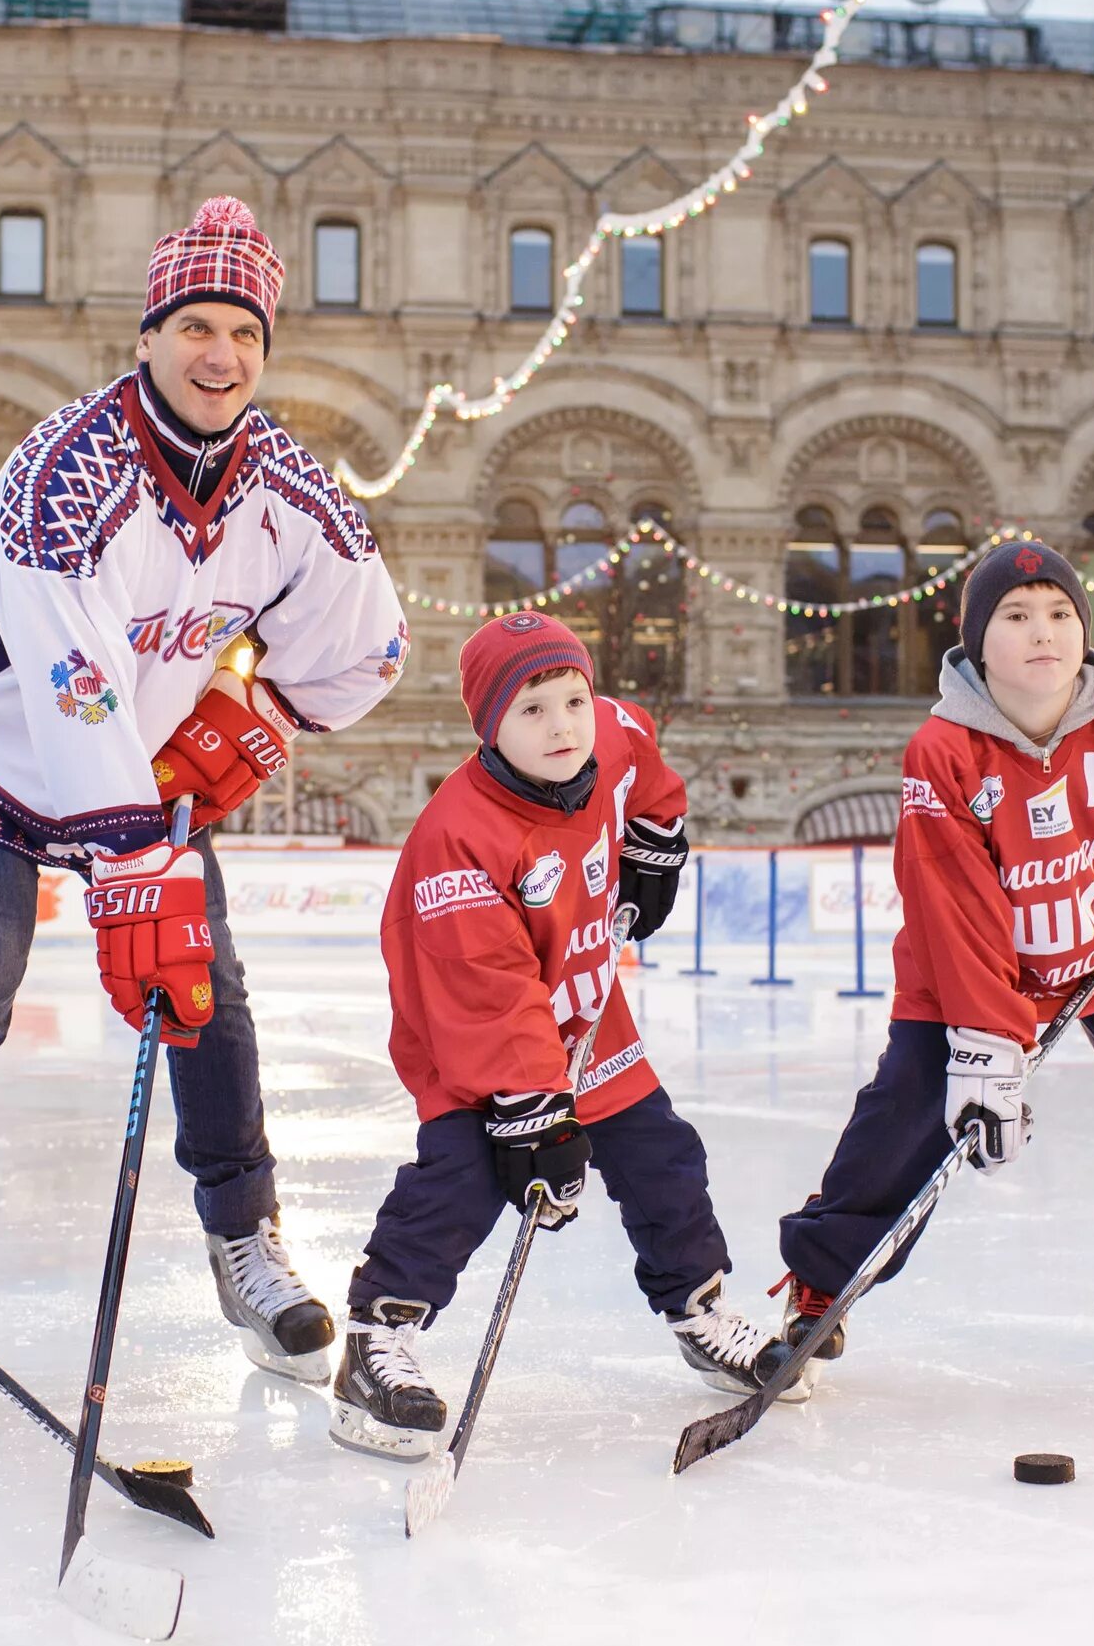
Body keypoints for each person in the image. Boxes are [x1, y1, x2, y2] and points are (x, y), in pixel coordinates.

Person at [0, 197, 410, 1388]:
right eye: (198, 326)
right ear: (150, 335)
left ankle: (244, 1235)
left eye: (246, 335)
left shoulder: (288, 488)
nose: (222, 355)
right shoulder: (66, 469)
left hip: (141, 759)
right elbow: (69, 678)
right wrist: (133, 865)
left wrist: (255, 714)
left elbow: (373, 644)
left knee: (208, 985)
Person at [771, 542, 1094, 1383]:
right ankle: (821, 1281)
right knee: (903, 1113)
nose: (1041, 633)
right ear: (977, 644)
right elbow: (956, 910)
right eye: (1014, 617)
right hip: (970, 971)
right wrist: (988, 1046)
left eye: (1059, 614)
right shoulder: (944, 754)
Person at [330, 612, 793, 1458]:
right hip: (471, 1036)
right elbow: (490, 993)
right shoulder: (458, 837)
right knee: (465, 1178)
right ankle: (376, 1338)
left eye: (572, 700)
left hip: (586, 1017)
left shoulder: (607, 736)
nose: (562, 726)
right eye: (532, 710)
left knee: (663, 1158)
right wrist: (535, 1111)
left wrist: (656, 843)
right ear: (491, 728)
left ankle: (698, 1309)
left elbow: (642, 756)